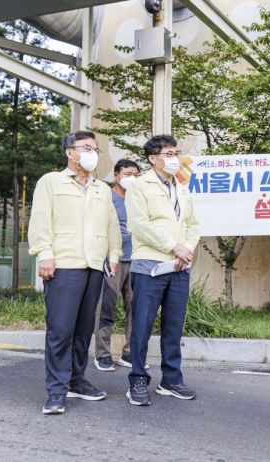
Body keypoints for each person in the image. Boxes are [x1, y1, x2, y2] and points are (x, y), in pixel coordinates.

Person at [28, 131, 122, 415]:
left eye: (96, 149)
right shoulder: (51, 182)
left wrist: (114, 255)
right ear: (70, 152)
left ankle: (76, 380)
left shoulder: (102, 189)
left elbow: (112, 225)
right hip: (64, 264)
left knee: (83, 329)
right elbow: (41, 219)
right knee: (61, 329)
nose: (93, 153)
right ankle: (56, 390)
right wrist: (44, 253)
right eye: (87, 148)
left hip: (94, 265)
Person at [124, 135, 200, 406]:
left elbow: (194, 224)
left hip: (179, 265)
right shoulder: (139, 186)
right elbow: (139, 225)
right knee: (142, 325)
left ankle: (171, 379)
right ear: (153, 158)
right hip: (150, 265)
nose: (174, 158)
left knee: (173, 325)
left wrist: (186, 249)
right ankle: (138, 378)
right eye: (168, 154)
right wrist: (174, 246)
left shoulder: (181, 187)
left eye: (175, 153)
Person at [93, 159, 143, 372]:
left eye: (136, 174)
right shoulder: (107, 197)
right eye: (128, 173)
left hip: (137, 261)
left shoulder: (138, 199)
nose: (133, 178)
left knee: (136, 309)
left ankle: (130, 354)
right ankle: (103, 355)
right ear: (116, 176)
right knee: (107, 307)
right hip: (113, 260)